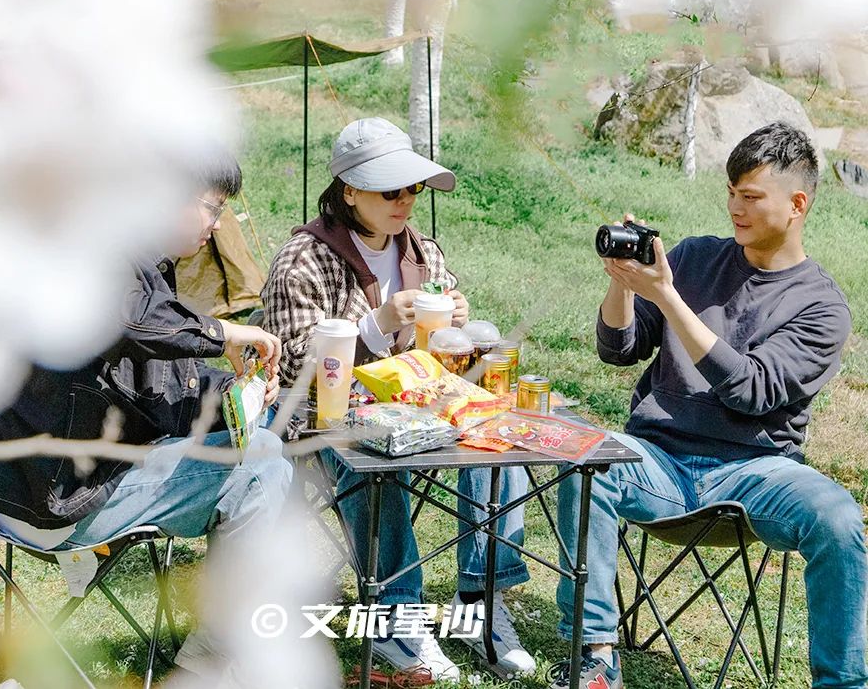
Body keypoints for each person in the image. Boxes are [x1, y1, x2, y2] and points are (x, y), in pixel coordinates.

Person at [551, 121, 867, 689]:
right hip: (658, 460)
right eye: (730, 192)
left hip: (757, 471)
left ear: (797, 204)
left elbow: (749, 390)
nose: (734, 208)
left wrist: (668, 297)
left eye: (749, 197)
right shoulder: (696, 257)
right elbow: (618, 349)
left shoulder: (822, 307)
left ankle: (843, 683)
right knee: (586, 460)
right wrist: (623, 284)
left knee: (839, 520)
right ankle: (596, 655)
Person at [0, 153, 291, 678]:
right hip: (57, 501)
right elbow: (139, 327)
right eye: (212, 209)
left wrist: (243, 391)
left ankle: (216, 654)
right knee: (264, 467)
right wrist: (224, 333)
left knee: (267, 452)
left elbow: (155, 386)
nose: (216, 227)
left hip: (19, 485)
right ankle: (214, 660)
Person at [262, 116, 536, 684]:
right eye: (391, 190)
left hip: (418, 405)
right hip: (322, 415)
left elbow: (445, 363)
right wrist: (373, 324)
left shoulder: (424, 253)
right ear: (349, 191)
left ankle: (483, 600)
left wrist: (461, 330)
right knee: (372, 452)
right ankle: (394, 618)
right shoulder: (304, 258)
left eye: (412, 187)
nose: (405, 200)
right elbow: (290, 364)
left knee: (494, 434)